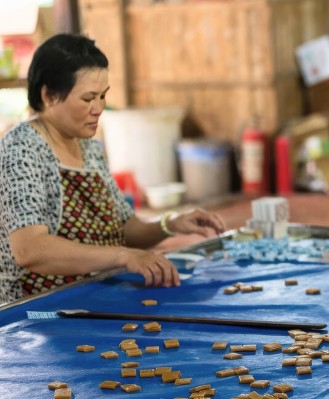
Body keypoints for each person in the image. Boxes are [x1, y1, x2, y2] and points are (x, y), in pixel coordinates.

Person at [0, 33, 225, 304]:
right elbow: (30, 249)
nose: (99, 109)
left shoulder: (90, 150)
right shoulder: (21, 149)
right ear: (49, 96)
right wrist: (122, 256)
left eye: (103, 96)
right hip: (35, 314)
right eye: (88, 99)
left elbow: (124, 229)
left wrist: (171, 223)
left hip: (90, 297)